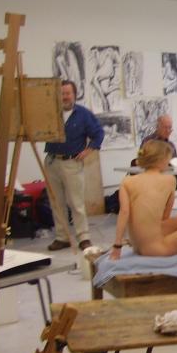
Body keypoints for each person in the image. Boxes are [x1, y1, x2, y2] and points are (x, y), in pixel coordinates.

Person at [44, 80, 104, 251]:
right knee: (56, 203)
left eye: (68, 93)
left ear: (74, 95)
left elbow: (98, 134)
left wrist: (88, 150)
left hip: (71, 163)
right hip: (51, 162)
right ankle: (62, 237)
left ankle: (83, 237)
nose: (65, 97)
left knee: (76, 203)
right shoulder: (51, 114)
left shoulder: (83, 114)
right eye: (62, 93)